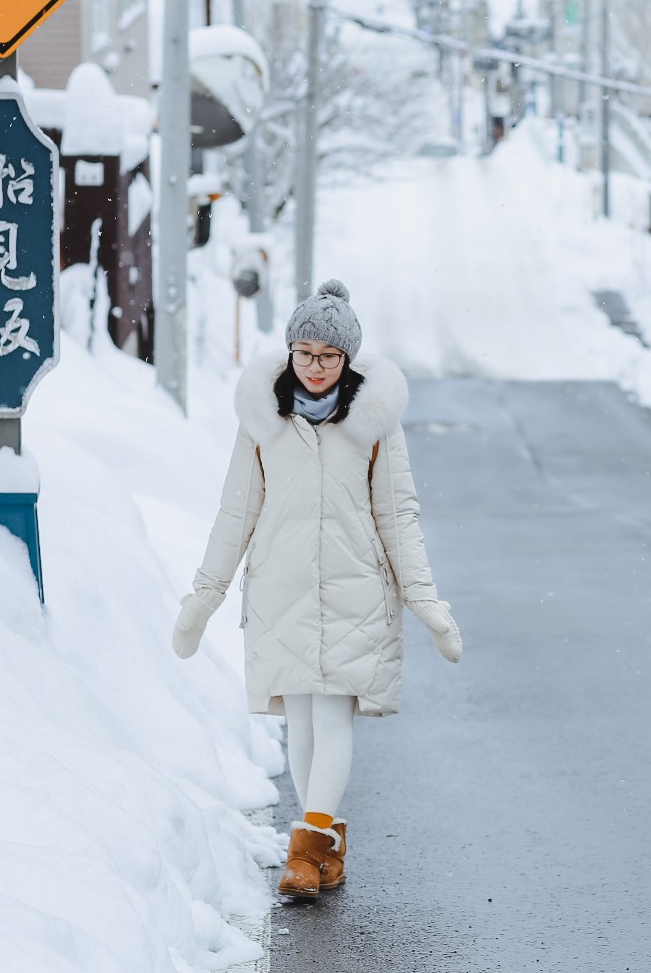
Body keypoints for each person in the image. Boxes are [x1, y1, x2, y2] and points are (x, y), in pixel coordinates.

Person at [171, 279, 463, 899]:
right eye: (305, 353)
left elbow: (398, 516)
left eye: (328, 356)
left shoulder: (376, 426)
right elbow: (235, 514)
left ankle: (304, 851)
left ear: (348, 360)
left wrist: (427, 603)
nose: (315, 367)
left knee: (332, 716)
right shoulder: (262, 425)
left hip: (356, 591)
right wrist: (204, 596)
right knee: (300, 722)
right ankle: (324, 852)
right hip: (281, 590)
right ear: (290, 353)